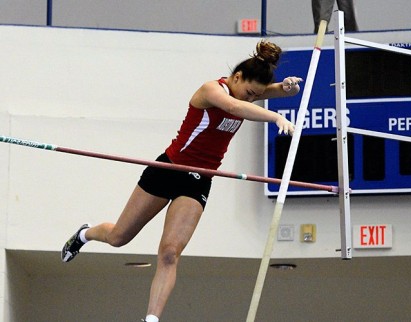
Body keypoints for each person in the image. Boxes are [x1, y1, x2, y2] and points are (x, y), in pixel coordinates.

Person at [61, 40, 303, 322]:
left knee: (169, 253)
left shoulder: (244, 93)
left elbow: (261, 96)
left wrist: (287, 89)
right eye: (250, 93)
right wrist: (274, 115)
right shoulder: (212, 90)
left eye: (255, 96)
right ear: (236, 78)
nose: (251, 99)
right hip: (167, 169)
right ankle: (85, 233)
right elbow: (234, 107)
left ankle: (151, 319)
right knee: (119, 237)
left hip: (198, 180)